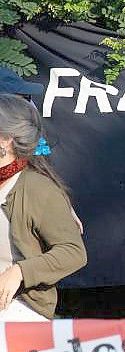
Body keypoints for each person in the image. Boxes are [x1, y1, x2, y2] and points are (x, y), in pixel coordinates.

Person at [0, 94, 87, 321]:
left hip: (16, 312)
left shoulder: (38, 189)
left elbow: (73, 252)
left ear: (5, 140)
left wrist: (20, 272)